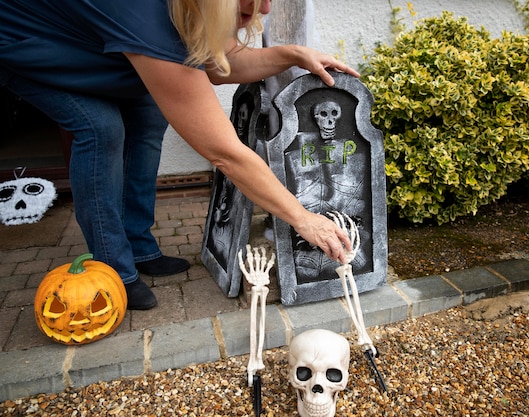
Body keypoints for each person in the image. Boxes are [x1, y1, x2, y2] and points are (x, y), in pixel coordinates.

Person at [0, 0, 357, 310]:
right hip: (30, 41)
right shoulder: (148, 17)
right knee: (100, 127)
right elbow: (225, 153)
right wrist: (303, 218)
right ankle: (111, 268)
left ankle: (139, 247)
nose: (264, 8)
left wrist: (294, 54)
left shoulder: (187, 9)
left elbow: (222, 65)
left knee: (149, 113)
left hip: (89, 40)